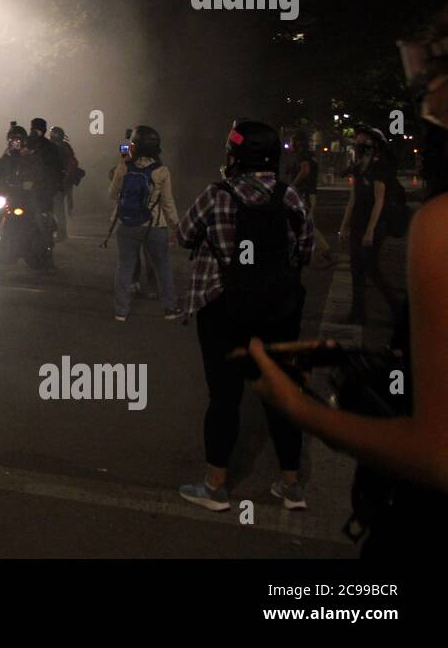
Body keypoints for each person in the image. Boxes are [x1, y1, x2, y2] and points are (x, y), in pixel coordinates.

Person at [253, 17, 448, 559]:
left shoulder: (442, 225)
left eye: (436, 93)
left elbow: (438, 453)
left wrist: (306, 411)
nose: (430, 111)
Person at [175, 120, 313, 512]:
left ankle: (216, 486)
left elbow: (184, 235)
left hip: (224, 309)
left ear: (235, 156)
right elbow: (302, 252)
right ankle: (291, 487)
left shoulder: (217, 195)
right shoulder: (291, 198)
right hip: (279, 311)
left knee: (224, 398)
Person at [107, 126, 180, 322]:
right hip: (154, 226)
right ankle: (170, 309)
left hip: (126, 224)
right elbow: (168, 202)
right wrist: (176, 225)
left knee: (124, 267)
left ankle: (121, 311)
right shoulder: (162, 171)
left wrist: (124, 154)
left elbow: (112, 194)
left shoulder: (123, 167)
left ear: (135, 146)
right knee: (163, 267)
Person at [338, 126, 401, 325]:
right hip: (358, 223)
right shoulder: (359, 167)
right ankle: (358, 313)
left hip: (374, 225)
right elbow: (352, 199)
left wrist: (370, 231)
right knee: (356, 269)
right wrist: (344, 226)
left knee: (371, 269)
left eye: (363, 141)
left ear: (374, 144)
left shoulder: (380, 167)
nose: (358, 143)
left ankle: (398, 309)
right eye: (357, 140)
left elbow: (379, 201)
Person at [289, 132, 335, 267]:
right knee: (306, 224)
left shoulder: (302, 154)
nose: (291, 144)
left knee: (307, 225)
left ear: (298, 143)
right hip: (309, 193)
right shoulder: (310, 155)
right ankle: (316, 255)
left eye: (292, 141)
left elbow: (305, 170)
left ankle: (325, 253)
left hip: (305, 194)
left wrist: (292, 185)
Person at [47, 126, 79, 240]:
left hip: (58, 183)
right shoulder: (65, 147)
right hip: (61, 183)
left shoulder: (57, 147)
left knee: (56, 208)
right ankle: (58, 231)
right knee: (57, 208)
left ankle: (61, 232)